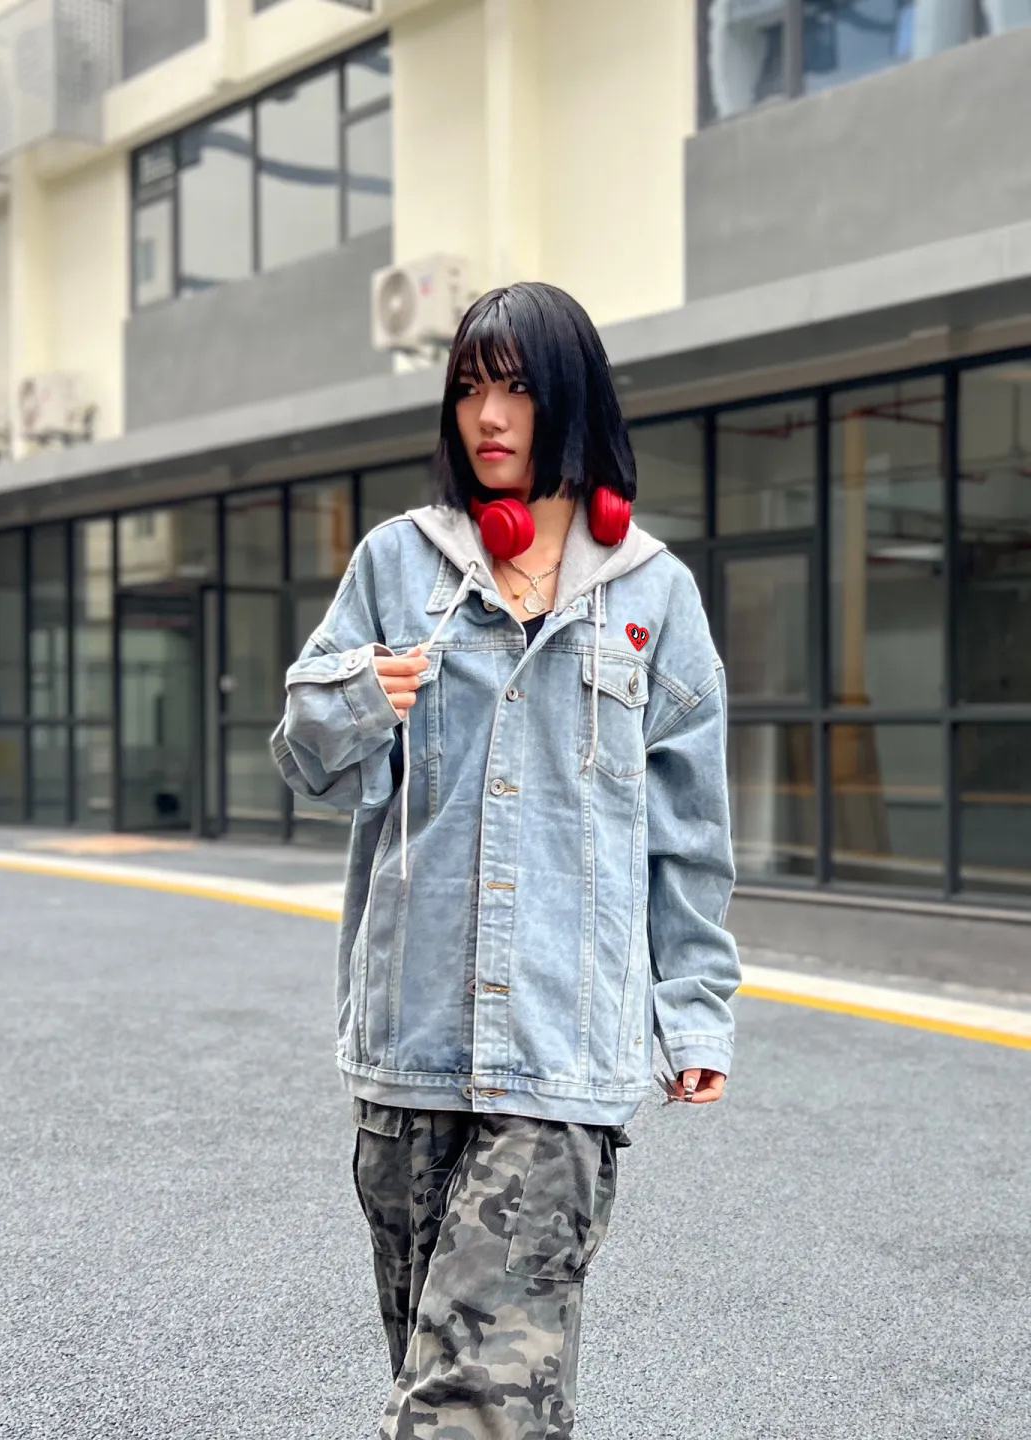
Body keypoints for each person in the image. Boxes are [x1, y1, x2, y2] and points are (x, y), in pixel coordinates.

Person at [271, 281, 741, 1439]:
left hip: (562, 1052)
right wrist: (357, 696)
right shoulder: (401, 566)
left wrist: (694, 1010)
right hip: (410, 1052)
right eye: (470, 388)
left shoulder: (653, 596)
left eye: (517, 388)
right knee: (451, 1381)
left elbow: (688, 834)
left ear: (569, 401)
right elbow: (305, 758)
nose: (488, 415)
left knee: (466, 1407)